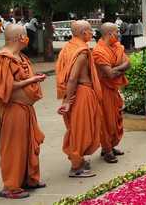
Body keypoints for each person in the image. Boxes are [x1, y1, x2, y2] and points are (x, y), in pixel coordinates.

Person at [0, 25, 47, 199]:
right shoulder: (4, 58)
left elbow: (19, 78)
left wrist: (32, 78)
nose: (27, 38)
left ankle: (28, 179)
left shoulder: (19, 56)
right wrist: (32, 80)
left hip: (26, 109)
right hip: (14, 109)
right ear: (18, 38)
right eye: (25, 35)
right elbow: (6, 86)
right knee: (14, 147)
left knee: (28, 145)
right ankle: (11, 186)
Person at [55, 20, 102, 178]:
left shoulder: (68, 47)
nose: (92, 33)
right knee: (82, 130)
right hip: (80, 93)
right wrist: (68, 101)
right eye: (90, 30)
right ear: (83, 33)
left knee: (76, 128)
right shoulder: (81, 51)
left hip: (74, 93)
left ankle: (79, 160)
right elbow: (73, 78)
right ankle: (76, 167)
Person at [92, 23, 130, 163]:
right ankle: (107, 149)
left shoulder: (118, 47)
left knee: (115, 119)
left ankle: (111, 146)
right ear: (109, 34)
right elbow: (110, 74)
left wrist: (116, 68)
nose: (119, 34)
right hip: (103, 90)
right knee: (107, 122)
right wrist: (120, 67)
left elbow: (128, 64)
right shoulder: (98, 51)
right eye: (117, 32)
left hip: (113, 90)